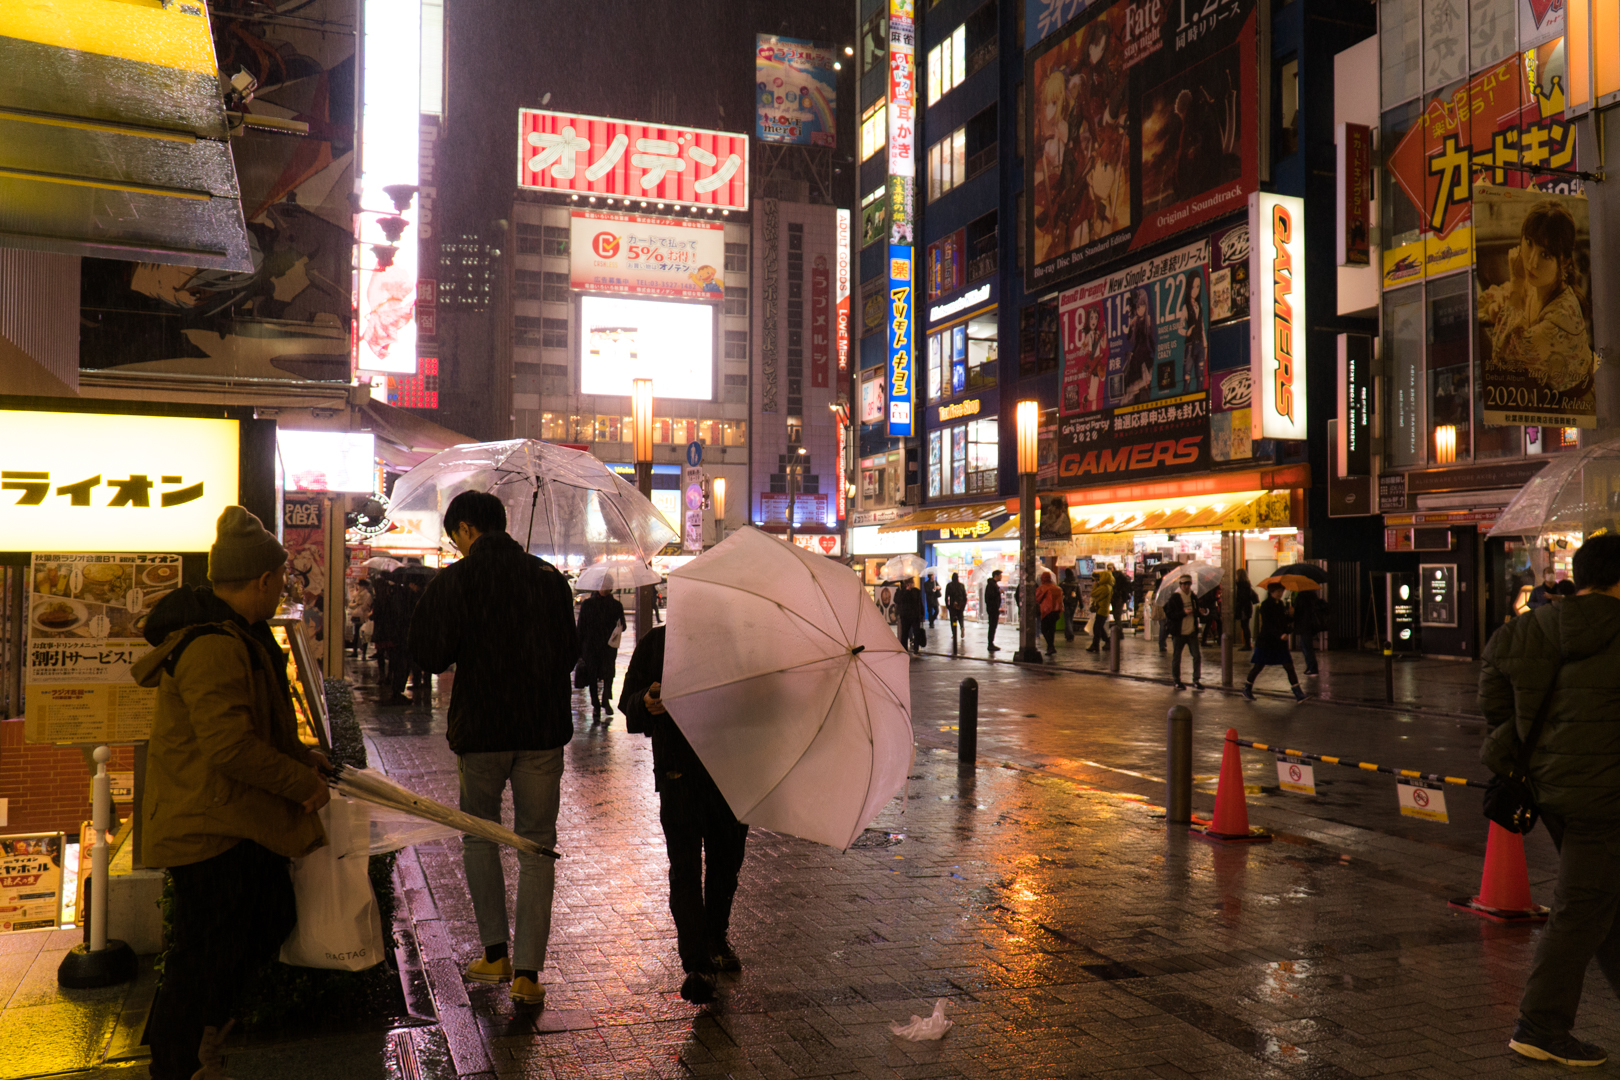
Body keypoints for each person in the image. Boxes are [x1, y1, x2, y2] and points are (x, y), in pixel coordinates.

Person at [133, 507, 330, 1080]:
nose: (283, 587)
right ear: (263, 580)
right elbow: (230, 747)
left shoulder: (234, 634)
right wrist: (301, 784)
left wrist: (302, 758)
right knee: (206, 951)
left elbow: (252, 728)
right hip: (207, 825)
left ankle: (200, 1039)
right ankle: (181, 1059)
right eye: (281, 578)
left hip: (224, 817)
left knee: (251, 924)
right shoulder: (215, 646)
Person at [408, 491, 578, 1008]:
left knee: (481, 836)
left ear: (465, 529)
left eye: (454, 537)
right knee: (536, 845)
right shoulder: (549, 579)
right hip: (540, 731)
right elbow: (569, 655)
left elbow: (429, 655)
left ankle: (495, 954)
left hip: (481, 731)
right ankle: (527, 974)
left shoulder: (456, 580)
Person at [1479, 533, 1620, 1068]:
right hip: (1606, 800)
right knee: (1582, 910)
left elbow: (1494, 699)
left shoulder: (1524, 629)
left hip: (1548, 792)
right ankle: (1540, 1026)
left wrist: (1538, 751)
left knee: (1603, 901)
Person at [619, 625, 749, 1005]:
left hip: (733, 774)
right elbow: (629, 701)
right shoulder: (658, 643)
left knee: (726, 864)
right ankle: (697, 963)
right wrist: (646, 701)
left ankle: (715, 937)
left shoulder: (739, 641)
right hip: (678, 773)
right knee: (685, 870)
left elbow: (764, 703)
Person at [1242, 581, 1305, 702]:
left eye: (1281, 591)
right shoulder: (1265, 605)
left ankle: (1298, 692)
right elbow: (1268, 624)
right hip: (1267, 642)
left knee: (1289, 666)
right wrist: (1280, 634)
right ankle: (1247, 688)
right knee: (1258, 666)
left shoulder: (1280, 604)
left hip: (1279, 644)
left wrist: (1291, 615)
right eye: (1278, 591)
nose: (1280, 594)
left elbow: (1283, 621)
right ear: (1271, 592)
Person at [576, 583, 626, 723]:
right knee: (592, 677)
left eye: (607, 586)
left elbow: (623, 626)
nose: (604, 589)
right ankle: (596, 705)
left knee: (608, 675)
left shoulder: (616, 605)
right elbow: (581, 627)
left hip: (607, 647)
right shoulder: (588, 604)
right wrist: (579, 649)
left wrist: (618, 625)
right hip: (591, 647)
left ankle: (605, 700)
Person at [1162, 575, 1206, 690]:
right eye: (1184, 584)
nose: (1187, 586)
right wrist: (1183, 613)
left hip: (1191, 631)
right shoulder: (1175, 597)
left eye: (1188, 584)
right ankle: (1176, 680)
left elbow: (1196, 609)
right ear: (1180, 585)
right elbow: (1170, 614)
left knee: (1197, 656)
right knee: (1177, 657)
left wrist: (1199, 611)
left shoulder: (1192, 596)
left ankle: (1196, 680)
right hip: (1179, 633)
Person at [1293, 588, 1324, 675]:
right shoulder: (1313, 596)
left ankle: (1312, 668)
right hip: (1311, 625)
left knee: (1306, 647)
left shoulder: (1301, 597)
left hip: (1304, 625)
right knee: (1306, 646)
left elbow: (1298, 612)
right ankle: (1310, 667)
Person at [1036, 571, 1064, 658]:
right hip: (1056, 611)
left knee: (1044, 629)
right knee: (1052, 630)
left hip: (1046, 611)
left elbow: (1037, 598)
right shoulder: (1058, 588)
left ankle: (1051, 646)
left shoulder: (1043, 588)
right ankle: (1050, 647)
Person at [896, 578, 926, 657]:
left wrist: (922, 613)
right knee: (904, 634)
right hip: (905, 616)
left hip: (915, 616)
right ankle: (904, 650)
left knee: (916, 633)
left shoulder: (916, 591)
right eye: (911, 583)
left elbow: (919, 602)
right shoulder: (901, 591)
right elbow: (897, 600)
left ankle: (916, 650)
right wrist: (906, 591)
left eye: (913, 582)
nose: (912, 584)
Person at [1087, 566, 1114, 652]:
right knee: (1099, 627)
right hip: (1103, 610)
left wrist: (1095, 585)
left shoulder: (1104, 587)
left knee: (1097, 628)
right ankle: (1106, 642)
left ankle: (1096, 644)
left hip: (1101, 610)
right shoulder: (1108, 586)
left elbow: (1093, 594)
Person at [348, 578, 373, 659]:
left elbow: (365, 606)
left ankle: (362, 653)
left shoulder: (367, 595)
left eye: (360, 585)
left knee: (363, 634)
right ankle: (356, 651)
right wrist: (357, 604)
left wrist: (357, 604)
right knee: (356, 634)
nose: (358, 587)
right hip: (356, 616)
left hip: (363, 617)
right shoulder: (356, 595)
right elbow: (350, 604)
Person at [1233, 569, 1258, 648]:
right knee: (1245, 626)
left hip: (1244, 609)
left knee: (1245, 626)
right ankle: (1247, 644)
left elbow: (1242, 598)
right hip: (1247, 608)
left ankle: (1247, 644)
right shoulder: (1246, 584)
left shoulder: (1242, 585)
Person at [945, 572, 969, 648]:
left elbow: (946, 596)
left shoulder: (949, 585)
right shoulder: (961, 585)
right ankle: (962, 627)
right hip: (960, 604)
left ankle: (954, 633)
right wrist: (963, 605)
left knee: (953, 619)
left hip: (953, 604)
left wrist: (947, 605)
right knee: (960, 617)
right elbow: (965, 596)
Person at [1060, 567, 1082, 643]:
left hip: (1065, 603)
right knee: (1070, 618)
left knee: (1067, 619)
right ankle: (1068, 634)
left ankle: (1070, 635)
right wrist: (1081, 605)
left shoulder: (1062, 584)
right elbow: (1079, 595)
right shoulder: (1076, 584)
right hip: (1074, 603)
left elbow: (1060, 594)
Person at [984, 570, 1004, 653]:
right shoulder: (991, 585)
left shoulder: (994, 584)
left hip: (994, 608)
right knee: (992, 626)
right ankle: (990, 644)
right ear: (996, 576)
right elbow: (990, 596)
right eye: (1000, 575)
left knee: (993, 626)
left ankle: (991, 643)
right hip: (992, 609)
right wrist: (999, 592)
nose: (1001, 577)